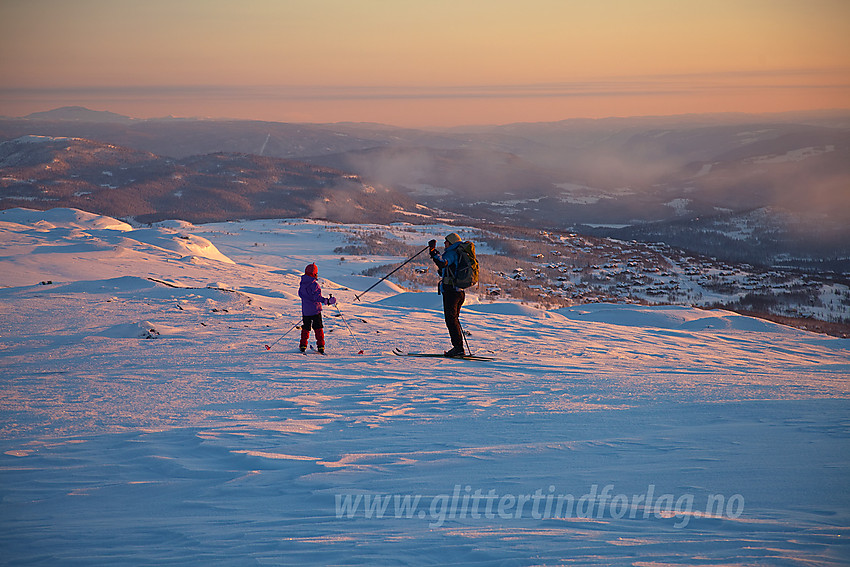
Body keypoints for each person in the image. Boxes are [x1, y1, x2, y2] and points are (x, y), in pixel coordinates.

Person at [429, 232, 467, 357]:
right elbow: (445, 269)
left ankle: (458, 348)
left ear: (451, 242)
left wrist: (433, 251)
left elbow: (442, 262)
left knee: (451, 320)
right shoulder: (458, 253)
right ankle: (458, 347)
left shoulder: (452, 252)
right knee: (453, 319)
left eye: (446, 241)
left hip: (452, 292)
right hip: (459, 292)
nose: (444, 243)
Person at [298, 263, 336, 353]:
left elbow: (301, 295)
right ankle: (321, 346)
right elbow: (317, 297)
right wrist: (328, 301)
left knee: (306, 328)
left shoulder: (302, 284)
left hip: (306, 312)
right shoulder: (314, 285)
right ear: (314, 273)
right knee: (318, 328)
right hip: (315, 311)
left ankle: (303, 345)